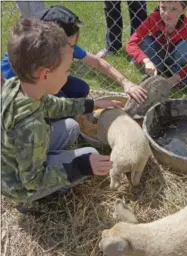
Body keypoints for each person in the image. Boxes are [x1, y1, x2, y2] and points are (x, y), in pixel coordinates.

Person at [1, 18, 122, 207]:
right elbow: (33, 181)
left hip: (14, 158)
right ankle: (30, 202)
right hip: (19, 185)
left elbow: (54, 105)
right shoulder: (32, 127)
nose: (68, 75)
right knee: (89, 154)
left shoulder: (15, 85)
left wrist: (91, 104)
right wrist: (80, 167)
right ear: (45, 74)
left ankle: (49, 159)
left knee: (71, 126)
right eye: (67, 70)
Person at [1, 5, 147, 103]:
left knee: (81, 89)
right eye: (71, 45)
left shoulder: (62, 47)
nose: (73, 49)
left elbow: (96, 61)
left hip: (44, 83)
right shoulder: (25, 59)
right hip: (25, 94)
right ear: (53, 40)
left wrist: (126, 83)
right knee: (63, 103)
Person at [126, 1, 187, 87]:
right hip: (158, 54)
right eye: (163, 8)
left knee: (186, 47)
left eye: (173, 9)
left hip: (176, 58)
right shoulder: (154, 18)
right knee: (146, 41)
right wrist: (146, 61)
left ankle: (174, 73)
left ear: (184, 9)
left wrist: (177, 78)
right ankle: (156, 72)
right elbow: (131, 43)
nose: (167, 14)